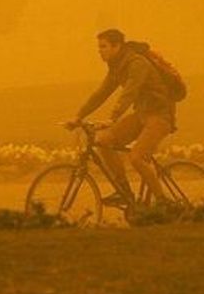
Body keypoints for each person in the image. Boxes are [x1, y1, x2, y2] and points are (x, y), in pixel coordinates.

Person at [71, 29, 176, 206]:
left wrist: (113, 118)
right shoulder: (117, 66)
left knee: (137, 158)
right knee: (103, 141)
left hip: (160, 116)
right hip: (142, 115)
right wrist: (78, 116)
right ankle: (124, 192)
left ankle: (164, 202)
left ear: (117, 46)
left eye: (103, 47)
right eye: (99, 47)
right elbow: (101, 94)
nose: (99, 51)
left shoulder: (137, 63)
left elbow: (130, 93)